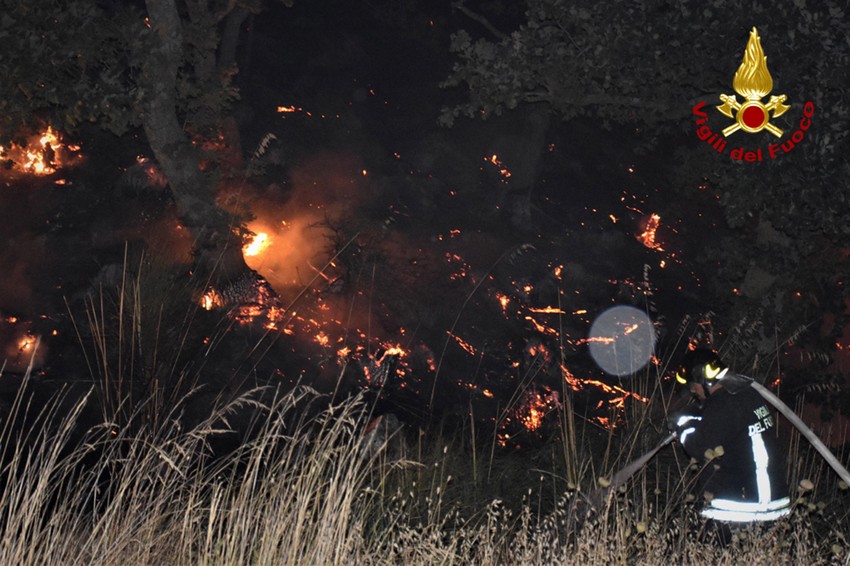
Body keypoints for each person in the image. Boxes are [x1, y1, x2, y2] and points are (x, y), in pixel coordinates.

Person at [669, 348, 791, 541]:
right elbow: (728, 428)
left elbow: (699, 447)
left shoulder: (723, 405)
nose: (693, 391)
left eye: (693, 385)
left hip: (742, 508)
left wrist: (683, 426)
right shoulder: (747, 394)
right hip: (773, 502)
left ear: (704, 378)